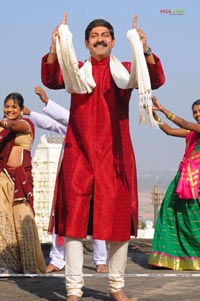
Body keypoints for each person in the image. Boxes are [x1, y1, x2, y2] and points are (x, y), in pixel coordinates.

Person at [41, 12, 165, 301]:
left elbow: (155, 79)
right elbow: (51, 78)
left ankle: (116, 286)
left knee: (118, 223)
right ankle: (73, 289)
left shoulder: (124, 71)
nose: (100, 39)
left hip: (116, 156)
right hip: (79, 154)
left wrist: (144, 48)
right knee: (73, 225)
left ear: (113, 41)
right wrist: (53, 48)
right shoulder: (75, 71)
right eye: (94, 35)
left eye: (105, 35)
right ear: (85, 43)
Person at [23, 86, 108, 273]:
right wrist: (31, 113)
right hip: (71, 178)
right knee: (61, 215)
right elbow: (53, 124)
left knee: (96, 217)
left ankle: (100, 259)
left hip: (95, 176)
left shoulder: (98, 121)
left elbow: (66, 117)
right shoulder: (74, 123)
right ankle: (57, 258)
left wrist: (47, 102)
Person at [148, 96, 200, 271]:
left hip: (196, 182)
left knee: (193, 217)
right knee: (173, 213)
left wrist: (162, 109)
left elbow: (184, 123)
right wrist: (155, 117)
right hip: (183, 179)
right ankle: (174, 257)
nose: (197, 115)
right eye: (195, 112)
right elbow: (169, 131)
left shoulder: (194, 128)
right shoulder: (192, 133)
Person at [0, 91, 46, 274]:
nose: (10, 109)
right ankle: (8, 264)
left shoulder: (26, 124)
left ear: (20, 109)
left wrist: (4, 123)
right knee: (3, 221)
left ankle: (30, 266)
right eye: (7, 106)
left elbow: (14, 126)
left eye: (14, 107)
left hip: (20, 180)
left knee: (23, 221)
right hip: (2, 178)